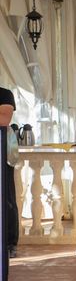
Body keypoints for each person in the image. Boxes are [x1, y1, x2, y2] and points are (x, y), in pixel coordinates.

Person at [0, 86, 18, 258]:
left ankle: (9, 242)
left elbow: (3, 119)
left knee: (6, 198)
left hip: (2, 154)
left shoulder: (5, 94)